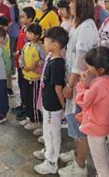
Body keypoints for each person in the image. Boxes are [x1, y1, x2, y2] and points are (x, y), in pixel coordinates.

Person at [59, 0, 99, 177]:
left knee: (82, 126)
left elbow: (81, 60)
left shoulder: (87, 27)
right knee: (75, 121)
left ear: (81, 3)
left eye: (72, 1)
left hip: (82, 85)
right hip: (76, 82)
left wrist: (70, 84)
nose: (69, 5)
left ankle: (80, 166)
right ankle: (76, 154)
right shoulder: (79, 24)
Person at [76, 47, 109, 177]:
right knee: (102, 156)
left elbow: (84, 101)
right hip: (103, 125)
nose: (87, 67)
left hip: (95, 127)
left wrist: (81, 85)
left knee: (100, 163)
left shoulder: (98, 85)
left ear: (100, 69)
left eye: (90, 65)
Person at [33, 27, 69, 175]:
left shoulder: (57, 64)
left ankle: (51, 161)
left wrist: (63, 107)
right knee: (47, 131)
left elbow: (58, 88)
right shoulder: (51, 58)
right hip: (48, 103)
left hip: (53, 106)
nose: (44, 43)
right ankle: (49, 151)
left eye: (46, 41)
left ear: (55, 44)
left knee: (52, 133)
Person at [11, 6, 36, 121]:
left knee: (26, 87)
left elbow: (30, 46)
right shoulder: (23, 28)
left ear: (30, 18)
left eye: (23, 17)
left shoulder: (32, 31)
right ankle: (23, 104)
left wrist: (20, 52)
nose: (20, 19)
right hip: (20, 61)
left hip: (26, 63)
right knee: (21, 85)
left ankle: (27, 108)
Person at [20, 23, 46, 131]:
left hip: (35, 78)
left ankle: (36, 120)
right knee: (27, 98)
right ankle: (29, 117)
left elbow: (44, 60)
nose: (28, 34)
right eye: (28, 32)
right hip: (26, 76)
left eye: (30, 33)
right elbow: (21, 56)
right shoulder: (27, 45)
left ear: (37, 35)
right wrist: (23, 65)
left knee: (34, 99)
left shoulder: (41, 47)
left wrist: (37, 64)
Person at [0, 16, 14, 97]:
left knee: (7, 74)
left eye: (1, 27)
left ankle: (9, 88)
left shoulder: (5, 36)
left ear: (6, 27)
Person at [6, 0, 20, 75]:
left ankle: (12, 71)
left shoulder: (9, 9)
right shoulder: (16, 8)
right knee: (14, 52)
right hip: (17, 33)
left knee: (11, 53)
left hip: (11, 33)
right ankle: (14, 70)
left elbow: (9, 22)